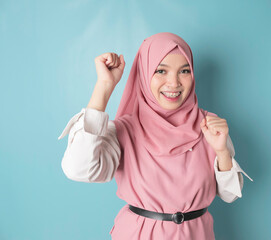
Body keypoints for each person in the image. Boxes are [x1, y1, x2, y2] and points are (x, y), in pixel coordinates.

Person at [58, 32, 253, 240]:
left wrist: (222, 151)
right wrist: (104, 86)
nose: (174, 83)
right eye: (161, 71)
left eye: (184, 71)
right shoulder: (125, 130)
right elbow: (78, 169)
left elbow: (230, 194)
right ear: (144, 73)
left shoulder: (209, 125)